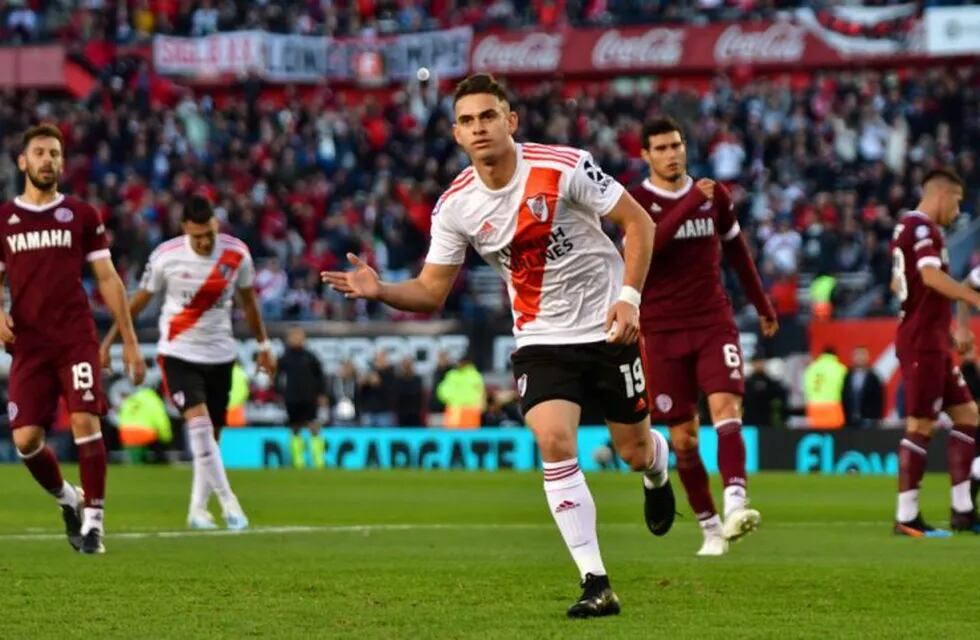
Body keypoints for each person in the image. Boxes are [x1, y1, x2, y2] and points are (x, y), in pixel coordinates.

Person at [323, 73, 674, 618]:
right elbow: (432, 290)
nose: (478, 127)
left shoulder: (563, 166)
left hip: (609, 326)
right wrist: (381, 289)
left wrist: (629, 297)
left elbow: (639, 222)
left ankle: (657, 470)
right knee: (555, 440)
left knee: (633, 451)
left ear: (510, 121)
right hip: (539, 337)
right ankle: (595, 580)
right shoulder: (456, 206)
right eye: (467, 121)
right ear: (457, 135)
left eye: (488, 116)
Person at [628, 116, 777, 557]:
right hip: (660, 331)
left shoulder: (716, 197)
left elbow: (737, 250)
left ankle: (736, 500)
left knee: (727, 406)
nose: (672, 154)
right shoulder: (637, 202)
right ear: (646, 155)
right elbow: (648, 249)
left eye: (677, 145)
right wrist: (691, 199)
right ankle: (711, 529)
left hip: (713, 321)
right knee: (684, 440)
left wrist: (762, 304)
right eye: (662, 148)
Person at [0, 123, 145, 554]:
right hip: (29, 343)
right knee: (26, 440)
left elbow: (107, 277)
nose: (49, 161)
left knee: (85, 420)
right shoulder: (5, 218)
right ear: (24, 162)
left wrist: (130, 340)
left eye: (56, 154)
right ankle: (70, 500)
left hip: (74, 337)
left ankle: (95, 525)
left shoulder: (81, 215)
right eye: (41, 153)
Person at [100, 195, 277, 530]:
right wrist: (111, 340)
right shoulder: (166, 256)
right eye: (197, 236)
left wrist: (263, 344)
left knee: (211, 438)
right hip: (178, 353)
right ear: (185, 229)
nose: (204, 241)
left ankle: (197, 509)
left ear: (214, 224)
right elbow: (138, 300)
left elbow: (249, 303)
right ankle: (229, 503)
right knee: (198, 427)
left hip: (221, 354)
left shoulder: (236, 253)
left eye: (208, 233)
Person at [889, 169, 980, 536]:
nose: (957, 211)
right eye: (956, 202)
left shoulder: (912, 230)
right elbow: (929, 277)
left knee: (968, 415)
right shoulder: (922, 228)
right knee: (920, 425)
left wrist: (955, 326)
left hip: (934, 340)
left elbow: (905, 281)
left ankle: (962, 510)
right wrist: (971, 297)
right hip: (922, 342)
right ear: (941, 194)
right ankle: (906, 516)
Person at [275, 326, 327, 468]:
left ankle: (318, 460)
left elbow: (320, 376)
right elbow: (276, 377)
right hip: (292, 398)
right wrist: (279, 393)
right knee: (295, 428)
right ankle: (298, 461)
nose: (296, 339)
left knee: (314, 427)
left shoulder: (310, 357)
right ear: (288, 339)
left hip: (310, 397)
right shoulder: (284, 358)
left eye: (299, 336)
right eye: (294, 336)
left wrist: (322, 393)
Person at [803, 347, 848, 429]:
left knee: (816, 433)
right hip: (832, 407)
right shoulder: (839, 368)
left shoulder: (811, 368)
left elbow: (806, 387)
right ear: (835, 356)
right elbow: (846, 389)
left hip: (813, 407)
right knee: (833, 435)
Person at [842, 346, 884, 428]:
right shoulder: (847, 376)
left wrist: (877, 418)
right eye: (857, 355)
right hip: (850, 420)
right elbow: (844, 396)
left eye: (862, 355)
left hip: (869, 420)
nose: (860, 358)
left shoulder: (874, 377)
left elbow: (879, 399)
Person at [742, 355, 786, 428]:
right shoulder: (747, 381)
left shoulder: (770, 380)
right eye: (756, 362)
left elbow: (779, 396)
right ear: (752, 364)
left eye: (761, 362)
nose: (759, 365)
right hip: (749, 417)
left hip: (766, 417)